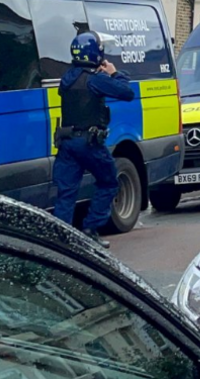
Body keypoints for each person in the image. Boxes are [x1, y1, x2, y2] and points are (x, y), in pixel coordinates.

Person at [53, 33, 134, 248]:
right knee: (108, 181)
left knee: (66, 192)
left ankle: (63, 240)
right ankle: (90, 229)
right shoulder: (95, 80)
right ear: (96, 53)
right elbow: (126, 93)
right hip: (89, 143)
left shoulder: (67, 78)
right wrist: (114, 73)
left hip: (67, 142)